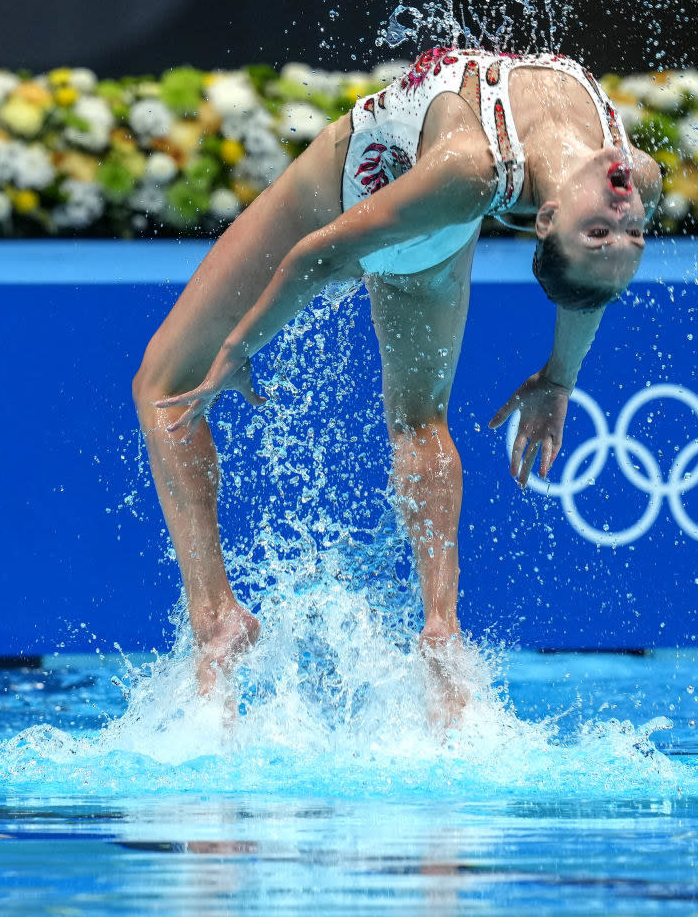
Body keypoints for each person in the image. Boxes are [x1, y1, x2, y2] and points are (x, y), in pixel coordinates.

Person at [132, 46, 662, 717]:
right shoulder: (638, 174)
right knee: (418, 420)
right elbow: (589, 288)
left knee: (162, 380)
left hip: (358, 190)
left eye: (599, 229)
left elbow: (319, 253)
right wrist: (558, 376)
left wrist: (241, 347)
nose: (622, 215)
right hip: (432, 229)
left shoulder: (472, 169)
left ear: (547, 218)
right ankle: (441, 632)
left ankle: (216, 620)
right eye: (627, 232)